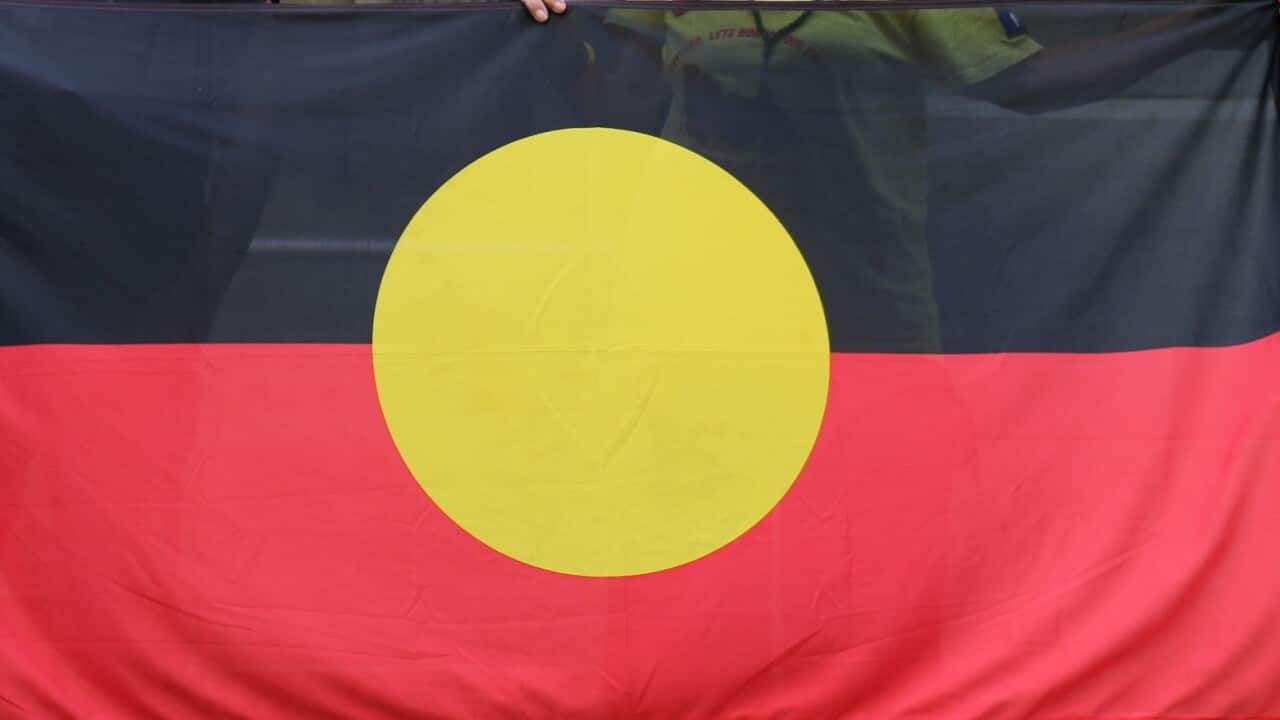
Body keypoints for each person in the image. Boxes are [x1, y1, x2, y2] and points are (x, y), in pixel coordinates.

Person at [516, 1, 1273, 352]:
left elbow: (1028, 80)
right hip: (700, 302)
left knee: (879, 524)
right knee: (712, 509)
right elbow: (613, 104)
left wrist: (1205, 25)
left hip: (864, 300)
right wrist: (521, 20)